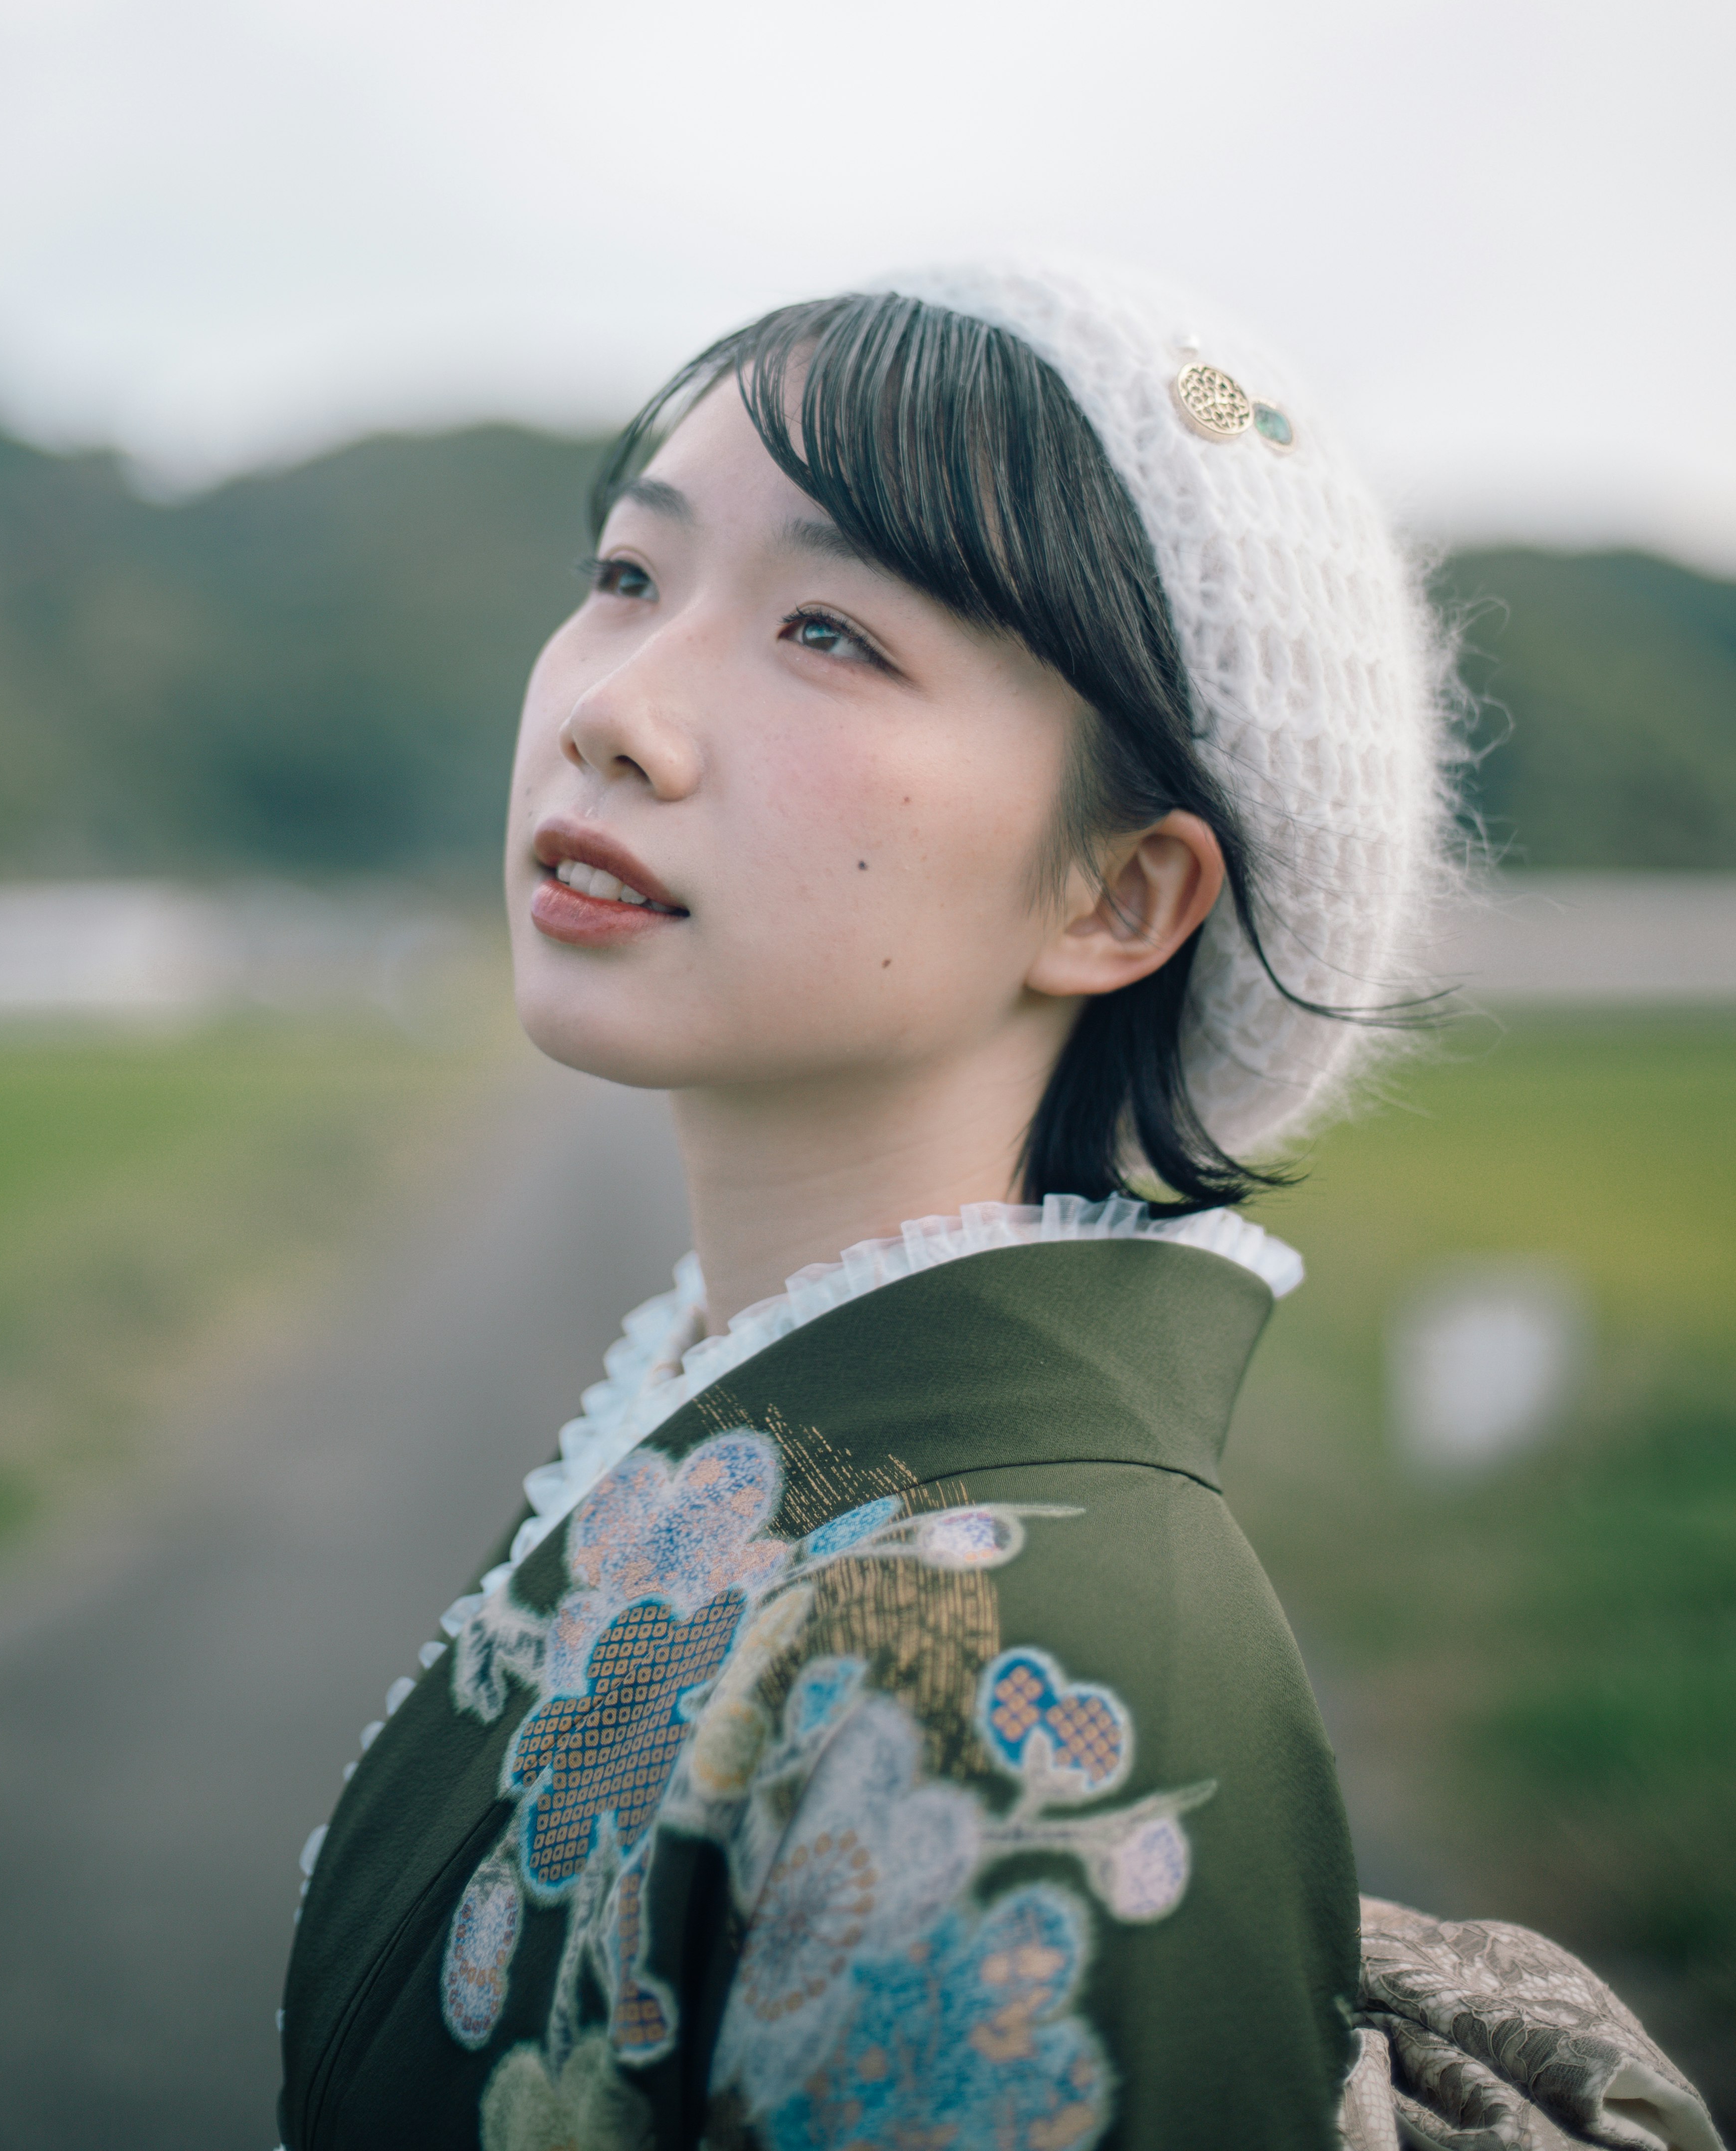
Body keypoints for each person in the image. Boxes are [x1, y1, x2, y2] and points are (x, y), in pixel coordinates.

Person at [276, 265, 1721, 2151]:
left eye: (825, 631)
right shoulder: (754, 1456)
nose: (618, 711)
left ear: (1118, 899)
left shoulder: (1024, 1670)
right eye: (630, 575)